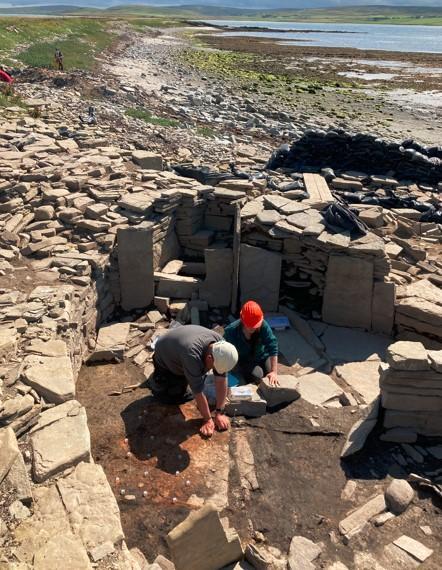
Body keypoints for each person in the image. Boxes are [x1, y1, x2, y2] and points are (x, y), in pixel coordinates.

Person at [150, 325, 238, 437]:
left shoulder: (222, 348)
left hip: (180, 348)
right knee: (174, 396)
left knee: (195, 377)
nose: (214, 371)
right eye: (214, 367)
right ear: (209, 358)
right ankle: (158, 379)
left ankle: (184, 376)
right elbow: (198, 392)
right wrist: (207, 420)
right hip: (164, 355)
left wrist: (219, 412)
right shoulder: (192, 354)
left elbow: (221, 380)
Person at [224, 300, 279, 386]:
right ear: (242, 320)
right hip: (246, 361)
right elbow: (225, 352)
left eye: (256, 326)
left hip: (263, 356)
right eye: (250, 326)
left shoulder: (263, 325)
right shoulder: (231, 331)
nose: (253, 328)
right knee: (258, 376)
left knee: (270, 375)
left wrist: (274, 371)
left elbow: (273, 345)